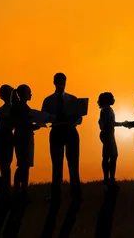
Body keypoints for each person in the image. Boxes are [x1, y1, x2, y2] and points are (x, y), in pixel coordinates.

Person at [41, 73, 84, 203]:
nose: (61, 84)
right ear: (54, 82)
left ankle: (76, 194)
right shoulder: (48, 100)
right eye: (59, 82)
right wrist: (57, 117)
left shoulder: (73, 99)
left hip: (70, 130)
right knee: (57, 164)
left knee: (73, 164)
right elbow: (44, 117)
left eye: (63, 82)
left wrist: (72, 118)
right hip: (57, 130)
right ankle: (56, 195)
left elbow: (80, 119)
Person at [11, 84, 41, 200]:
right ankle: (20, 191)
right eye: (29, 92)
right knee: (23, 165)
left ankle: (22, 190)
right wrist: (35, 126)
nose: (31, 94)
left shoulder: (20, 106)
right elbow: (23, 124)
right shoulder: (21, 107)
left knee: (24, 165)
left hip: (22, 136)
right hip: (23, 137)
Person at [98, 92, 126, 191]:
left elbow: (100, 122)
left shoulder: (104, 109)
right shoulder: (107, 109)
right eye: (112, 98)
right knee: (113, 156)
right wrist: (123, 124)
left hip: (106, 133)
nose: (114, 100)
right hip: (108, 134)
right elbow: (110, 123)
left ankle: (107, 179)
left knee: (106, 156)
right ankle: (110, 179)